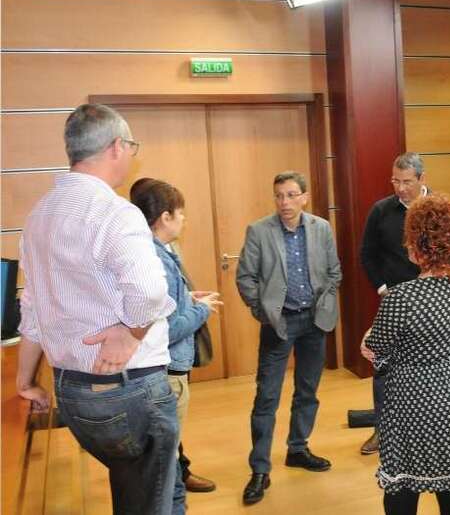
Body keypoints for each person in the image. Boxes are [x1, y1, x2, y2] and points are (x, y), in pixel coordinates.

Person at [16, 104, 181, 514]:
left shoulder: (38, 216)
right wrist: (132, 332)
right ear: (116, 147)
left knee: (131, 490)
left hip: (72, 392)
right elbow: (149, 293)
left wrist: (24, 380)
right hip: (129, 391)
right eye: (131, 147)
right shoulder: (116, 213)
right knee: (151, 501)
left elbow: (31, 308)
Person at [362, 192, 450, 515]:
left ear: (420, 244)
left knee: (402, 492)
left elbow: (375, 350)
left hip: (414, 406)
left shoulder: (401, 297)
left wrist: (369, 340)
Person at [236, 171, 342, 505]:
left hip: (314, 322)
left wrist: (324, 304)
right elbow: (245, 277)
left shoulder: (321, 228)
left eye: (292, 195)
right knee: (266, 397)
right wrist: (263, 311)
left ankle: (298, 448)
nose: (285, 202)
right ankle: (260, 469)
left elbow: (334, 272)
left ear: (304, 198)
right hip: (278, 323)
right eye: (279, 195)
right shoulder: (259, 231)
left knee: (307, 391)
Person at [130, 178, 222, 499]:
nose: (184, 219)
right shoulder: (157, 260)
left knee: (163, 455)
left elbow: (163, 309)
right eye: (180, 213)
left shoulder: (152, 252)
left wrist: (188, 300)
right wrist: (202, 311)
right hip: (167, 371)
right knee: (165, 463)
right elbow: (165, 331)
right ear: (165, 217)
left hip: (162, 369)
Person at [358, 152, 428, 455]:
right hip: (394, 302)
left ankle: (423, 429)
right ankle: (383, 430)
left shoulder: (439, 209)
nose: (400, 188)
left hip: (431, 304)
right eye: (395, 181)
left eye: (406, 182)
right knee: (383, 365)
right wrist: (383, 288)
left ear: (422, 179)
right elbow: (367, 254)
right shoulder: (381, 211)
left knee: (426, 367)